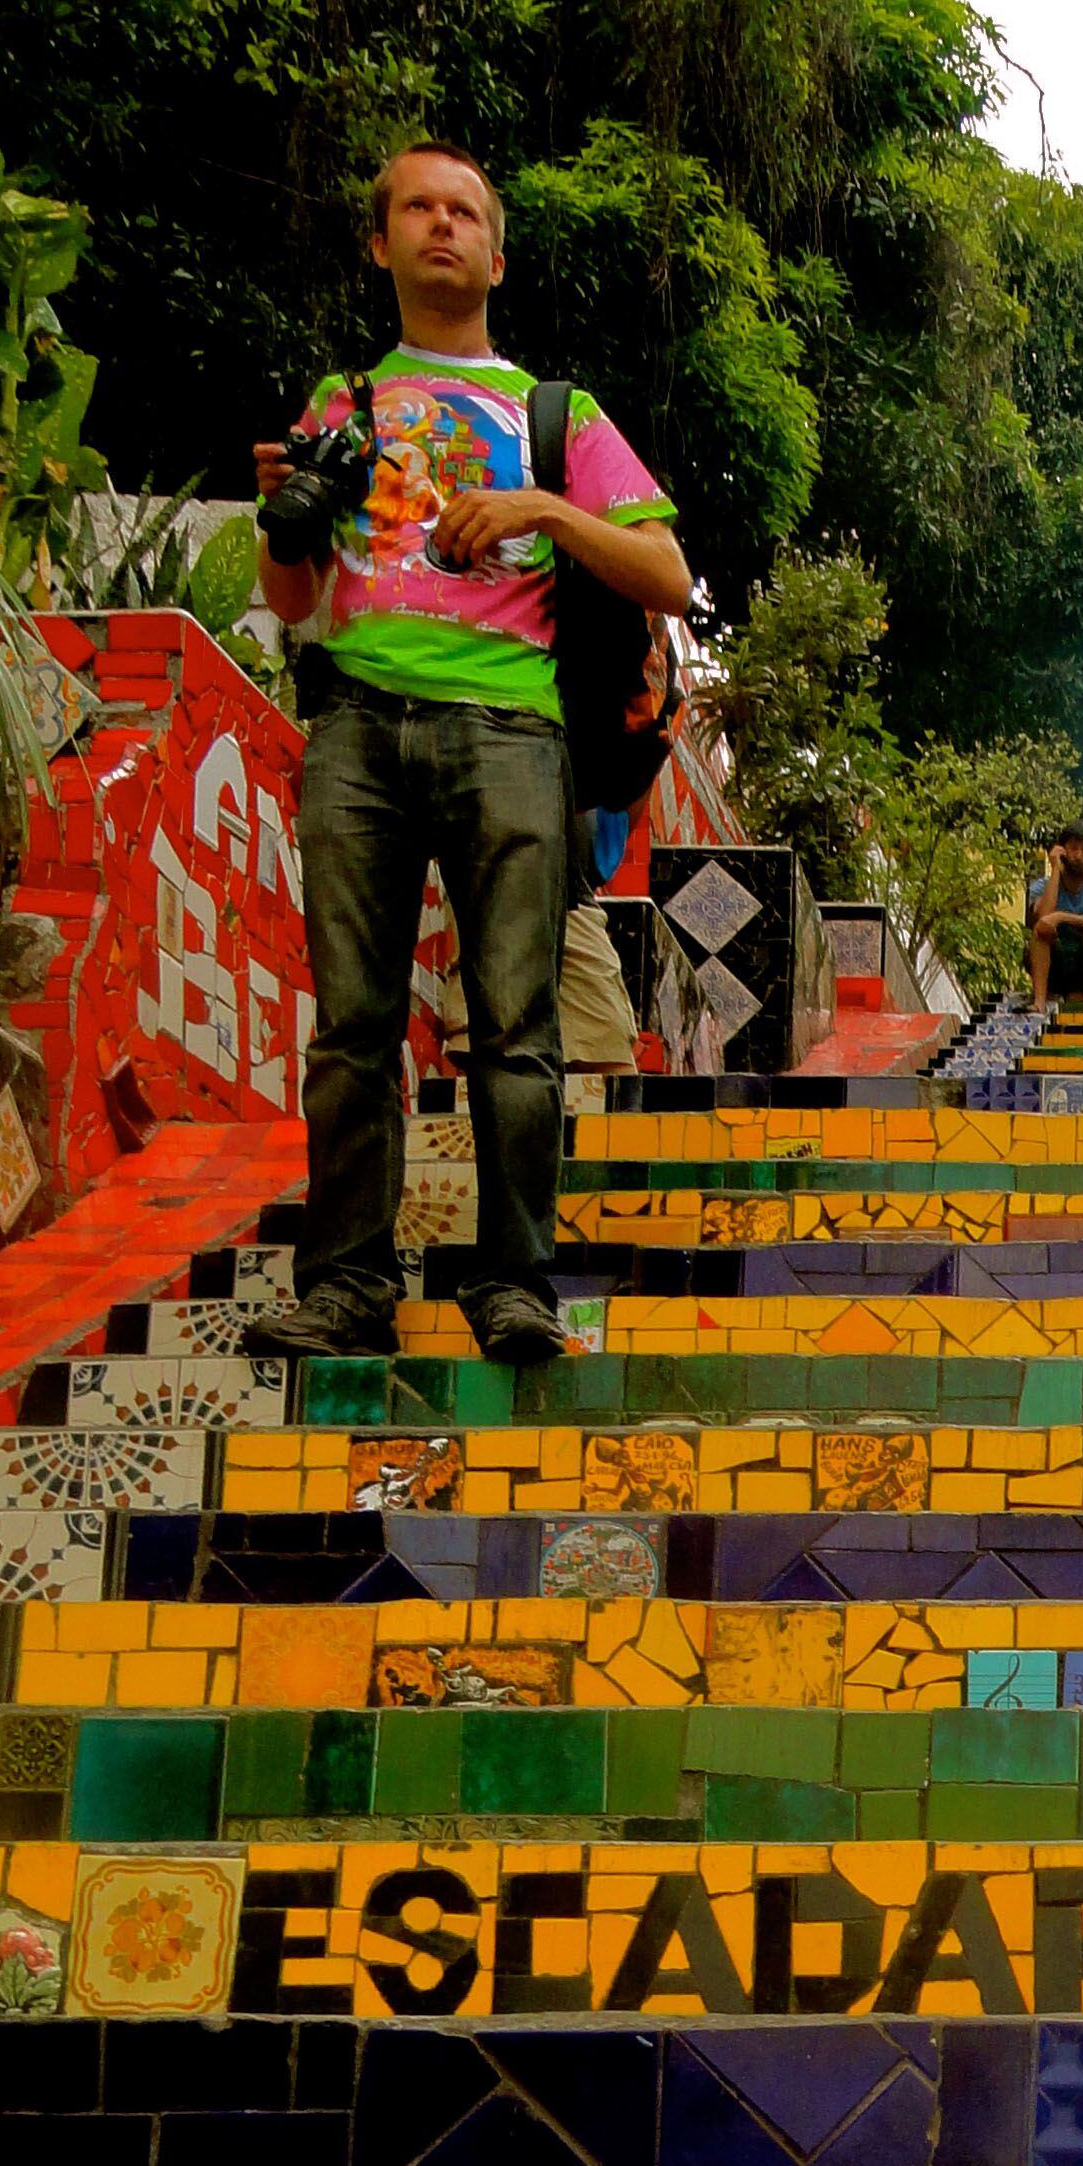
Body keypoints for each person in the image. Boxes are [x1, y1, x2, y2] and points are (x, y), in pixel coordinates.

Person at [244, 139, 692, 1364]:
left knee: (516, 1023)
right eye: (417, 209)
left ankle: (515, 1285)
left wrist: (545, 508)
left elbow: (667, 572)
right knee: (352, 1025)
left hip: (514, 731)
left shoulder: (560, 416)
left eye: (465, 212)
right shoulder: (346, 406)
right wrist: (283, 510)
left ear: (496, 251)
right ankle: (343, 1284)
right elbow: (290, 597)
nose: (442, 227)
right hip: (355, 726)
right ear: (381, 242)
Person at [1026, 821, 1083, 1015]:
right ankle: (1039, 1003)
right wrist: (1055, 871)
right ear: (1062, 850)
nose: (1079, 856)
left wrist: (1059, 917)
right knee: (1042, 930)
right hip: (1056, 962)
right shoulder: (1044, 884)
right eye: (1073, 849)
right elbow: (1043, 918)